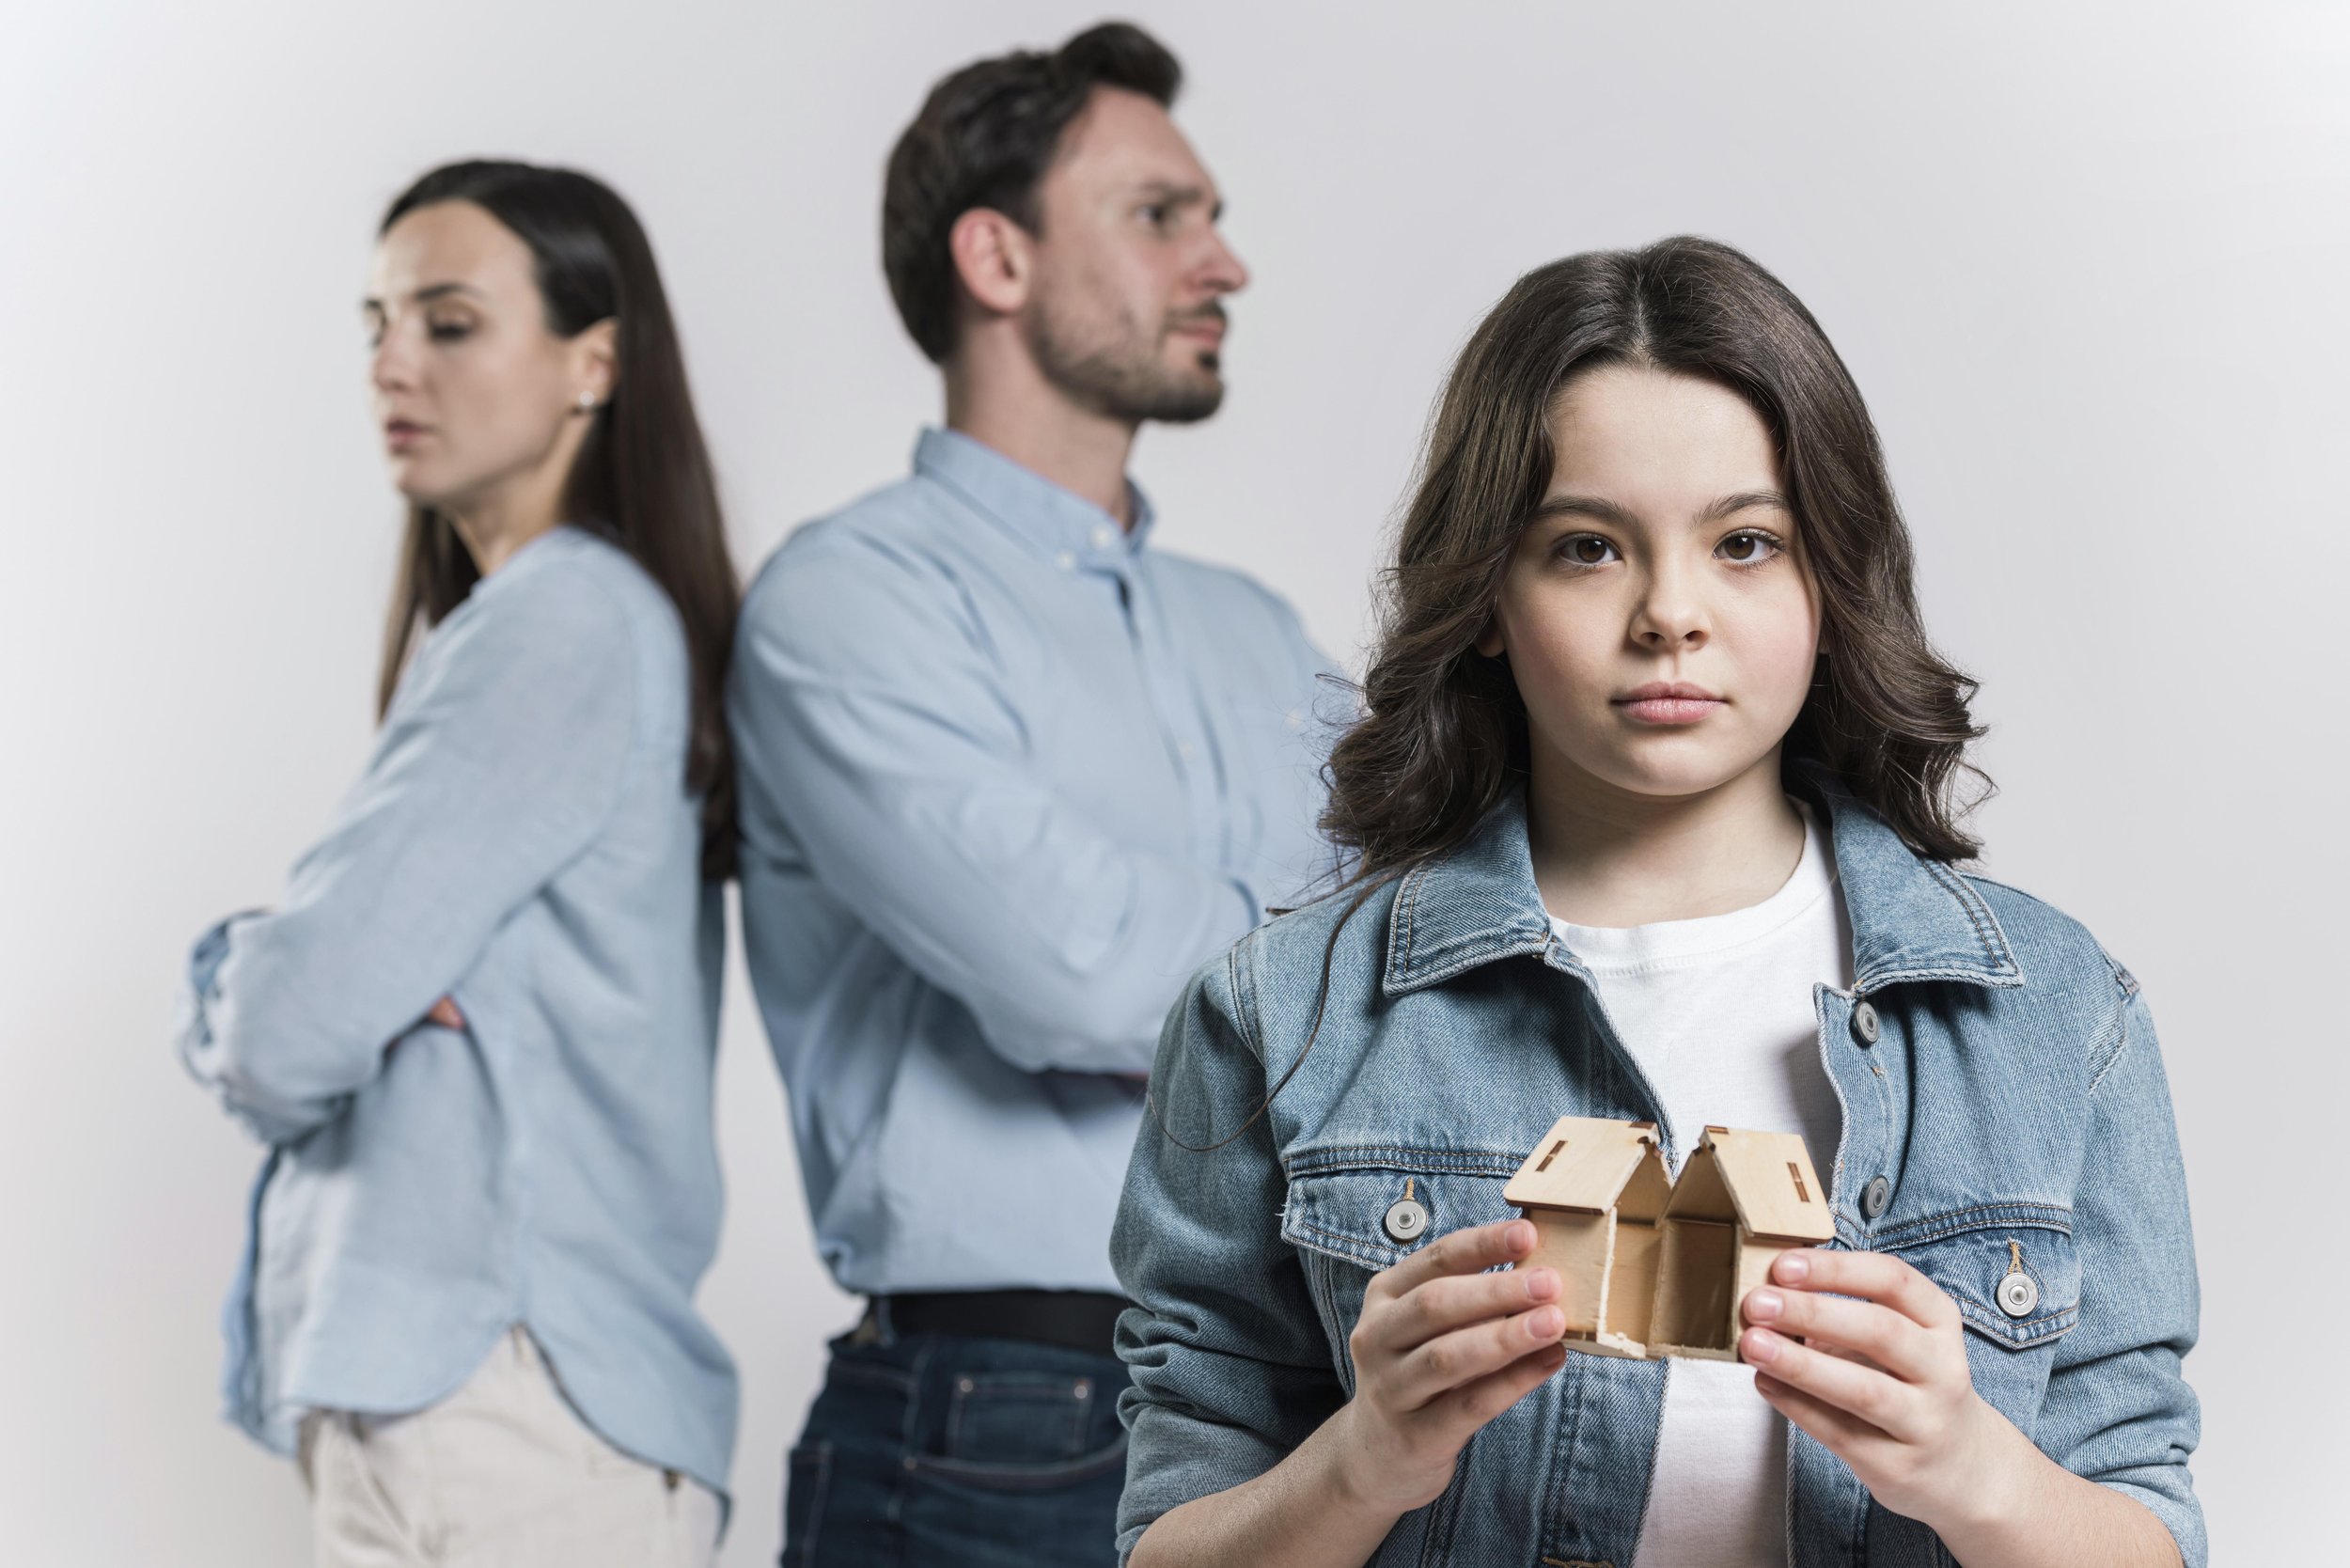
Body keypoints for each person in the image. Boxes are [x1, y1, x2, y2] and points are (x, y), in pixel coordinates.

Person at [1111, 237, 2203, 1568]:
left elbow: (2151, 1526)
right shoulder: (1278, 1015)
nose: (1670, 614)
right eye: (1587, 548)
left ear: (1828, 583)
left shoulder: (2055, 1017)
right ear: (1491, 599)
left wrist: (1972, 1469)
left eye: (1746, 543)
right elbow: (1166, 1539)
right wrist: (1365, 1460)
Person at [728, 22, 1334, 1567]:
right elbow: (1080, 978)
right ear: (994, 257)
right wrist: (1322, 958)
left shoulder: (1255, 628)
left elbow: (1431, 935)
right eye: (1161, 217)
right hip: (997, 1419)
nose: (1227, 265)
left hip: (1301, 1415)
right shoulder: (845, 603)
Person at [174, 159, 741, 1568]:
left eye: (447, 321)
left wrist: (247, 970)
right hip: (483, 1403)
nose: (391, 364)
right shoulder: (539, 624)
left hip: (506, 1404)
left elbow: (284, 1024)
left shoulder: (561, 624)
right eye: (373, 323)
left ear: (591, 361)